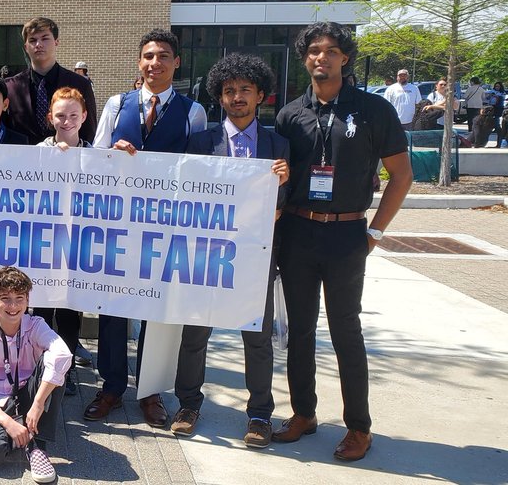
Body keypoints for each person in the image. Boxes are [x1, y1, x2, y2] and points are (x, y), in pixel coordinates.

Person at [273, 22, 411, 461]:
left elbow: (402, 175)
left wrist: (374, 231)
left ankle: (359, 427)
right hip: (297, 231)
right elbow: (277, 179)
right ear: (305, 57)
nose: (322, 58)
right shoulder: (291, 113)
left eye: (331, 51)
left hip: (348, 233)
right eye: (314, 50)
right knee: (300, 329)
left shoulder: (373, 110)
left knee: (345, 330)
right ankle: (303, 413)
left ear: (345, 58)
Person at [88, 29, 208, 429]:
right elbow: (94, 158)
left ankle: (151, 391)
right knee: (113, 308)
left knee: (158, 310)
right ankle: (111, 386)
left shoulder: (193, 112)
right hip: (118, 223)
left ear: (176, 63)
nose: (155, 63)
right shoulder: (116, 103)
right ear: (138, 62)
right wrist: (111, 155)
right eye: (148, 56)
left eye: (163, 56)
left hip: (166, 227)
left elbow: (199, 173)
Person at [171, 53, 290, 449]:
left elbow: (290, 200)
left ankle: (259, 414)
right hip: (208, 252)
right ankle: (188, 405)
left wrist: (282, 188)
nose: (236, 97)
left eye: (244, 90)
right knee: (195, 331)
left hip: (255, 255)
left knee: (256, 337)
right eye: (228, 91)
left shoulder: (279, 145)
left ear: (260, 95)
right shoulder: (201, 143)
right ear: (218, 97)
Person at [0, 266, 71, 484]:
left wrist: (39, 403)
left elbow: (62, 354)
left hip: (30, 392)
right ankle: (19, 426)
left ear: (28, 299)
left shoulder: (35, 325)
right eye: (5, 298)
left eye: (19, 298)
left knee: (56, 362)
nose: (13, 306)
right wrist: (7, 423)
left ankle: (37, 444)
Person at [33, 87, 92, 395]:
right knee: (42, 312)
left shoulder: (96, 155)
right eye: (60, 115)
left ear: (83, 117)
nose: (66, 121)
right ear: (50, 117)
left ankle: (65, 372)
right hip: (45, 245)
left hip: (78, 247)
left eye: (73, 115)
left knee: (69, 313)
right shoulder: (37, 152)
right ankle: (42, 367)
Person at [3, 17, 97, 144]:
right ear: (26, 47)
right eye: (33, 40)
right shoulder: (10, 87)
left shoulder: (80, 84)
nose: (38, 44)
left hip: (66, 159)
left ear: (56, 42)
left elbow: (89, 132)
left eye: (45, 38)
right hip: (21, 161)